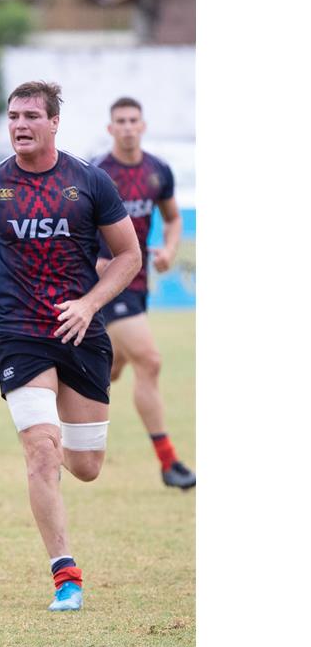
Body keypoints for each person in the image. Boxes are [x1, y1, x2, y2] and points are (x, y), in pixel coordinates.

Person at [0, 81, 142, 612]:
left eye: (30, 116)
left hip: (81, 331)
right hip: (19, 332)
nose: (20, 124)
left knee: (85, 464)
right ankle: (65, 574)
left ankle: (68, 451)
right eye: (13, 116)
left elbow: (128, 256)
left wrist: (90, 305)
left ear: (53, 123)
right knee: (42, 450)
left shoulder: (89, 182)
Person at [93, 96, 195, 490]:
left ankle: (64, 414)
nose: (128, 126)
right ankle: (169, 463)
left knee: (111, 369)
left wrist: (169, 250)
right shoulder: (99, 173)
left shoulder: (158, 171)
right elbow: (82, 229)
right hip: (105, 284)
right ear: (110, 128)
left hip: (138, 285)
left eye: (134, 119)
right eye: (120, 120)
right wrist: (94, 263)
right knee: (149, 361)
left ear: (143, 125)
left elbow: (172, 218)